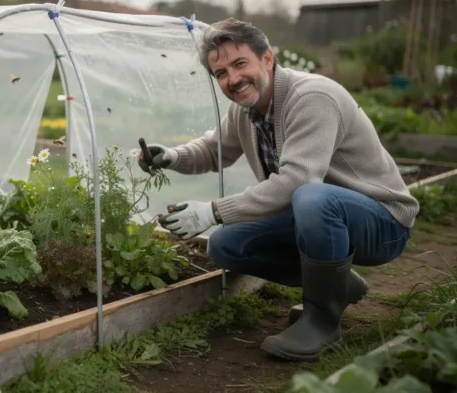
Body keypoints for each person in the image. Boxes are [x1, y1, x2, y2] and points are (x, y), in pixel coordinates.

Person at [139, 18, 419, 362]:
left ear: (267, 58)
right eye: (221, 73)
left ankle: (322, 320)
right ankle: (340, 286)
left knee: (309, 195)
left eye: (240, 64)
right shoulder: (247, 109)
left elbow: (298, 181)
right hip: (319, 217)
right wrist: (169, 156)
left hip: (383, 222)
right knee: (226, 244)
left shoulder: (312, 97)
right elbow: (215, 150)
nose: (233, 79)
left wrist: (212, 211)